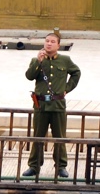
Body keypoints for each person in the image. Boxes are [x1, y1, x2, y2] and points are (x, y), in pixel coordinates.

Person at [23, 31, 81, 179]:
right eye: (47, 41)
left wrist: (66, 89)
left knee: (59, 137)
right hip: (41, 105)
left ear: (58, 45)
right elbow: (29, 76)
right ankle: (34, 166)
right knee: (38, 137)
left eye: (52, 41)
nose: (49, 43)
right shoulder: (36, 60)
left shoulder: (65, 60)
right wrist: (38, 61)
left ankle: (61, 166)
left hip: (57, 105)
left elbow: (76, 73)